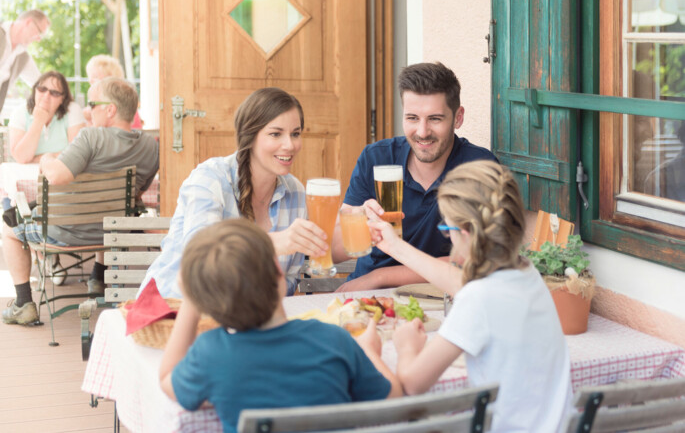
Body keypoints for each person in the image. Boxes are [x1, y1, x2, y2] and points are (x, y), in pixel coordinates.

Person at [369, 160, 572, 432]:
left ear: (465, 234)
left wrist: (406, 346)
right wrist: (394, 246)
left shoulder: (479, 298)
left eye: (447, 230)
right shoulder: (527, 273)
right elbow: (463, 286)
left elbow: (413, 384)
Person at [159, 219, 401, 432]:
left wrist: (190, 301)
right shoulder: (334, 339)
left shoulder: (210, 354)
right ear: (278, 271)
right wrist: (370, 352)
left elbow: (167, 381)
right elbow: (393, 399)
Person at [138, 87, 329, 299]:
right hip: (175, 310)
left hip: (246, 319)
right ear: (250, 136)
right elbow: (202, 254)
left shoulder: (295, 192)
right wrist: (273, 244)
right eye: (275, 134)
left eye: (295, 134)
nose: (290, 145)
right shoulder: (211, 177)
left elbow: (289, 280)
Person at [1, 77, 159, 325]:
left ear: (110, 110)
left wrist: (46, 160)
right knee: (105, 210)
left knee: (8, 229)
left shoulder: (91, 138)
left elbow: (55, 175)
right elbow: (137, 195)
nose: (87, 110)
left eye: (92, 103)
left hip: (64, 232)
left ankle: (23, 303)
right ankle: (98, 276)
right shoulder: (151, 146)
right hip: (113, 233)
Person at [334, 62, 497, 292]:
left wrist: (381, 277)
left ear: (458, 117)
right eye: (412, 118)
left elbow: (476, 261)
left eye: (435, 119)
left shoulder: (478, 168)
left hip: (440, 296)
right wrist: (359, 226)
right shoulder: (376, 157)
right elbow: (333, 251)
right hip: (368, 297)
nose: (422, 132)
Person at [8, 71, 85, 163]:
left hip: (62, 171)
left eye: (54, 93)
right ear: (35, 90)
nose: (46, 96)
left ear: (62, 98)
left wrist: (37, 159)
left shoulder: (73, 110)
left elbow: (77, 154)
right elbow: (21, 157)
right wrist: (38, 122)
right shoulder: (20, 112)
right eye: (42, 89)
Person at [0, 10, 49, 112]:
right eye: (39, 32)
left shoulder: (22, 56)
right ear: (28, 22)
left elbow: (39, 83)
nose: (39, 39)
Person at [83, 54, 143, 129]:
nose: (90, 80)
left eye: (95, 77)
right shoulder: (96, 107)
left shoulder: (125, 108)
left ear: (110, 79)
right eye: (89, 77)